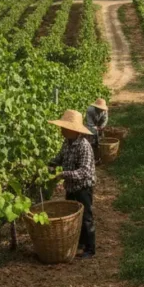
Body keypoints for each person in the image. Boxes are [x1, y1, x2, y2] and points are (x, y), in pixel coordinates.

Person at [47, 109, 97, 258]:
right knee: (73, 215)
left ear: (73, 130)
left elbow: (85, 172)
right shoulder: (67, 143)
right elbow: (59, 158)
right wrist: (50, 166)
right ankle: (79, 243)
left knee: (86, 217)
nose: (61, 130)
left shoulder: (84, 146)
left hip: (83, 187)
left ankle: (90, 248)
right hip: (71, 186)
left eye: (64, 127)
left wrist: (63, 174)